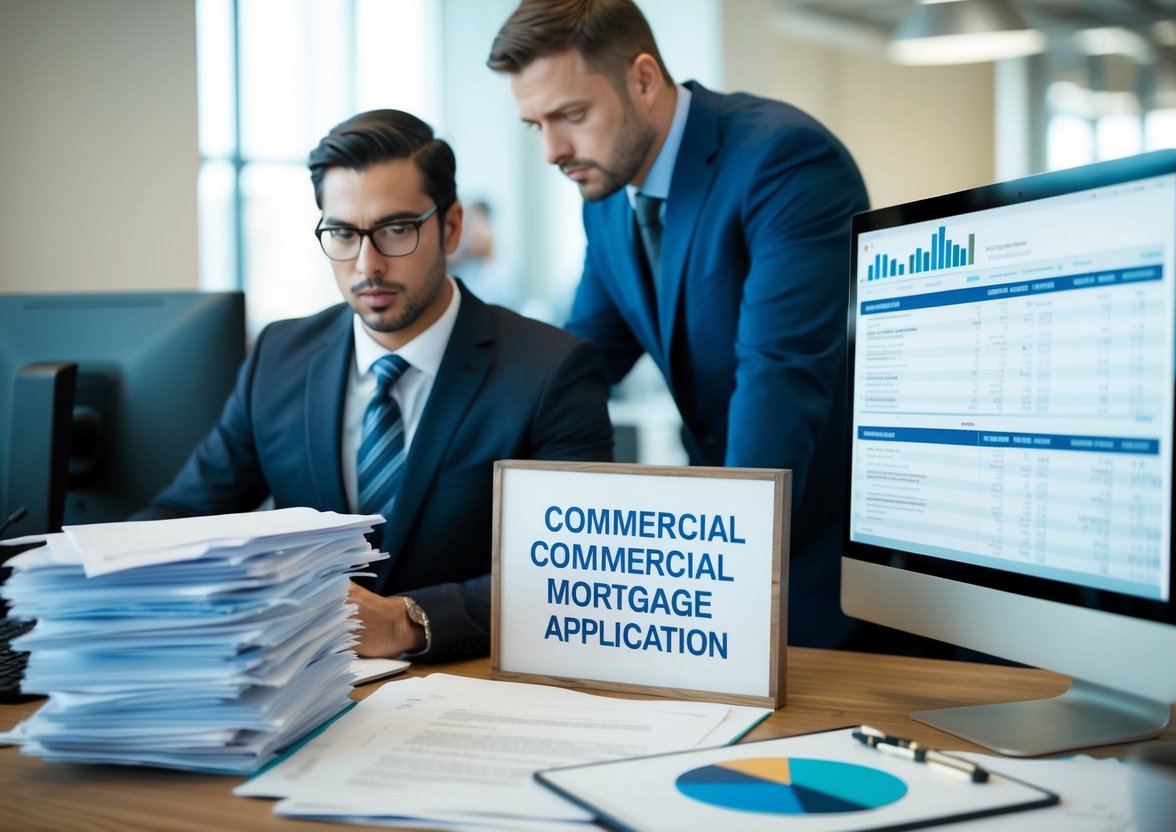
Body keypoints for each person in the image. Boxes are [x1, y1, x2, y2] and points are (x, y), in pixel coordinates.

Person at [133, 109, 614, 661]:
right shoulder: (280, 358)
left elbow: (578, 575)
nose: (368, 264)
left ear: (450, 227)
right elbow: (185, 516)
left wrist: (409, 621)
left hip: (472, 685)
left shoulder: (551, 369)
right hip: (304, 696)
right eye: (342, 233)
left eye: (396, 230)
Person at [489, 0, 871, 649]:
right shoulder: (608, 198)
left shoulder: (785, 160)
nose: (553, 150)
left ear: (642, 79)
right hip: (723, 546)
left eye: (571, 116)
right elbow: (580, 359)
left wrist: (724, 575)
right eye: (536, 126)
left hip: (823, 546)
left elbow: (777, 375)